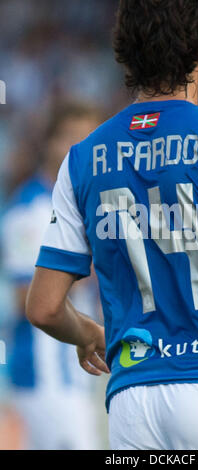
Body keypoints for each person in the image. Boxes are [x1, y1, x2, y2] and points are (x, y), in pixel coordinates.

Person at [26, 0, 198, 450]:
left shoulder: (79, 160)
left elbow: (44, 307)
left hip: (133, 406)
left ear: (124, 54)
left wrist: (88, 333)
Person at [2, 102, 105, 450]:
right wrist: (85, 269)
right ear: (48, 142)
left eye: (88, 139)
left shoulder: (83, 202)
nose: (78, 148)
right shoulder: (28, 209)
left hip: (74, 375)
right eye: (69, 137)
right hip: (46, 377)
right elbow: (24, 298)